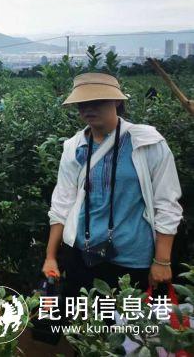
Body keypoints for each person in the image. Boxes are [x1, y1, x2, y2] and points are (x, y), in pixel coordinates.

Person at [44, 73, 183, 299]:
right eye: (82, 103)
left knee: (127, 329)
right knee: (87, 327)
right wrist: (50, 256)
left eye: (97, 101)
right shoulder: (74, 147)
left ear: (117, 101)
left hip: (132, 258)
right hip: (83, 255)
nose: (88, 108)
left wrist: (162, 261)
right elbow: (62, 203)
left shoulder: (147, 143)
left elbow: (166, 203)